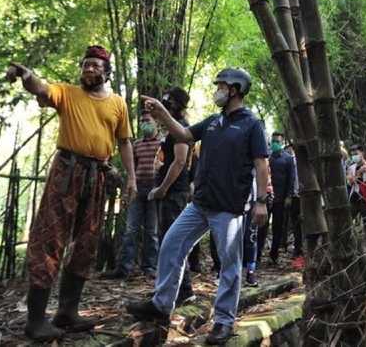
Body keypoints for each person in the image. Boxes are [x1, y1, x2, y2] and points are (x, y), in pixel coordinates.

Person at [125, 68, 269, 345]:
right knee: (171, 243)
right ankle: (161, 305)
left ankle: (224, 321)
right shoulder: (213, 121)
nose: (217, 90)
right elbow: (183, 134)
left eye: (221, 86)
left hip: (229, 208)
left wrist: (261, 202)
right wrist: (161, 114)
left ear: (235, 89)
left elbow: (262, 164)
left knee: (230, 264)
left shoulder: (252, 124)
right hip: (199, 204)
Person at [6, 45, 134, 341]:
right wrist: (26, 74)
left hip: (98, 176)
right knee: (50, 239)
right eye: (85, 65)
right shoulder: (66, 92)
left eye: (95, 66)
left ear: (106, 71)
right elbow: (40, 87)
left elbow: (125, 142)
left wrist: (131, 179)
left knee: (87, 243)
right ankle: (36, 320)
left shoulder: (118, 104)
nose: (89, 69)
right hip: (67, 173)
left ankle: (67, 312)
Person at [149, 87, 196, 303]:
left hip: (174, 192)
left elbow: (179, 162)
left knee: (173, 241)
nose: (164, 106)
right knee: (168, 240)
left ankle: (184, 290)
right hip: (169, 192)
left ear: (177, 105)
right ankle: (170, 288)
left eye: (168, 102)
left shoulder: (182, 129)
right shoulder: (171, 128)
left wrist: (163, 188)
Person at [102, 112, 161, 279]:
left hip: (154, 191)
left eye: (147, 120)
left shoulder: (161, 143)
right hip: (138, 189)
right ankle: (124, 268)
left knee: (151, 231)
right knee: (130, 229)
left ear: (156, 122)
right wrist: (129, 188)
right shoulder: (137, 144)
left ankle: (149, 268)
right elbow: (132, 168)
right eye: (141, 121)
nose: (144, 124)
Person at [266, 132, 297, 265]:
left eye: (277, 141)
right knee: (262, 226)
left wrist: (289, 196)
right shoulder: (267, 157)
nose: (275, 144)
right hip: (266, 197)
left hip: (281, 198)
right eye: (273, 141)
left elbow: (291, 179)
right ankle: (256, 255)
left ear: (282, 142)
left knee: (278, 228)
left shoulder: (288, 159)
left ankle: (274, 254)